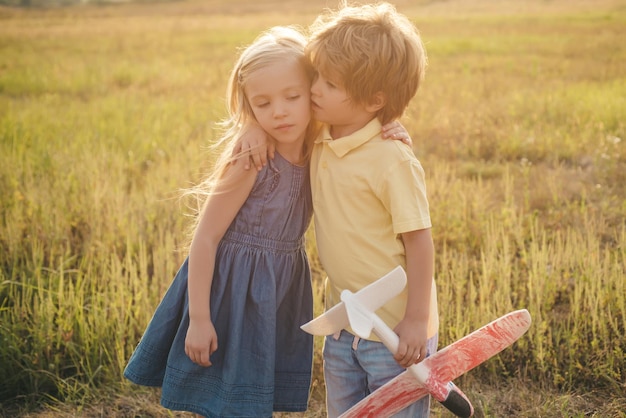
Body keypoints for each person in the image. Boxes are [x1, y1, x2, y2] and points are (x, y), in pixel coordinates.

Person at [242, 3, 443, 417]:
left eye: (329, 84)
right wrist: (249, 125)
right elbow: (274, 108)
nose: (315, 89)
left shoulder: (393, 159)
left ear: (374, 101)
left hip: (394, 332)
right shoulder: (318, 135)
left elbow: (420, 243)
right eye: (316, 76)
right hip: (344, 323)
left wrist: (416, 321)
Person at [123, 26, 319, 417]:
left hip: (280, 289)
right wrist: (199, 318)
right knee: (226, 400)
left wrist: (390, 128)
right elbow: (206, 237)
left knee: (258, 395)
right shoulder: (251, 157)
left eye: (292, 97)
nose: (278, 111)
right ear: (247, 105)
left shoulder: (322, 147)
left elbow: (358, 121)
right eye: (261, 105)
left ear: (313, 91)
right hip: (230, 290)